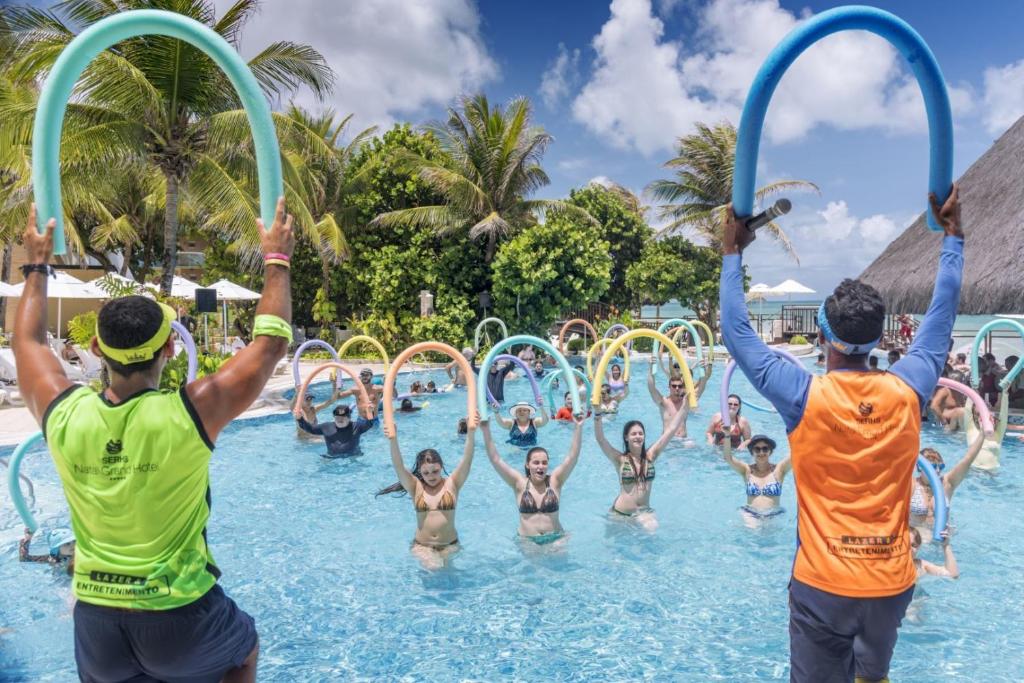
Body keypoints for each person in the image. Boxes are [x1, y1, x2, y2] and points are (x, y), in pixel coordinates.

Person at [12, 198, 296, 681]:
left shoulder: (63, 413)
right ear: (169, 347)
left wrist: (36, 265)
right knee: (244, 648)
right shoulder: (191, 412)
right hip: (178, 614)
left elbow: (28, 343)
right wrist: (277, 258)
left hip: (96, 623)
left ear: (97, 348)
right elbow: (270, 343)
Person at [718, 186, 963, 683]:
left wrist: (731, 253)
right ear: (879, 340)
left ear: (822, 336)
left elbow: (736, 332)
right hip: (891, 583)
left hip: (822, 584)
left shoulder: (801, 394)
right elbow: (942, 316)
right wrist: (952, 240)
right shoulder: (909, 388)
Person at [378, 415, 478, 569]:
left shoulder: (452, 483)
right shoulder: (415, 486)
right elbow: (398, 465)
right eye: (426, 473)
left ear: (441, 467)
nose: (431, 476)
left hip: (450, 545)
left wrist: (471, 432)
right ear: (420, 472)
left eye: (435, 471)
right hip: (422, 546)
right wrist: (393, 439)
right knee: (434, 568)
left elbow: (467, 459)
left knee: (447, 576)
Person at [480, 414, 584, 544]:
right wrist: (485, 430)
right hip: (528, 541)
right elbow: (495, 460)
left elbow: (572, 457)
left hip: (556, 539)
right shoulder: (519, 483)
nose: (541, 466)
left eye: (544, 463)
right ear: (527, 465)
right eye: (536, 463)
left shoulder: (555, 481)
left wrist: (578, 427)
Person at [593, 406, 688, 531]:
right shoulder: (620, 460)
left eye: (640, 433)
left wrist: (684, 407)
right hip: (620, 515)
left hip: (644, 512)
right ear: (626, 437)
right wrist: (597, 414)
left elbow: (671, 430)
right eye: (633, 434)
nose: (638, 436)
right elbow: (601, 439)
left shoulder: (650, 456)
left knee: (652, 529)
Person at [911, 431, 985, 541]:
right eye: (933, 466)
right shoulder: (911, 484)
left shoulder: (946, 484)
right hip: (918, 541)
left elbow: (968, 459)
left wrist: (983, 434)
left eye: (940, 467)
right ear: (920, 467)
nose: (937, 470)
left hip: (943, 538)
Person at [721, 434, 791, 523]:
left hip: (774, 514)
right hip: (750, 513)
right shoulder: (747, 470)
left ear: (770, 451)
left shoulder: (779, 470)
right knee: (753, 529)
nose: (761, 453)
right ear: (752, 452)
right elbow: (728, 458)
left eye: (765, 449)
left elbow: (796, 454)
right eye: (757, 449)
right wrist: (727, 435)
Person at [649, 362, 710, 440]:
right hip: (667, 441)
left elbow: (701, 388)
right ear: (669, 387)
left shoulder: (685, 402)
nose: (677, 388)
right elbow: (651, 388)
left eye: (679, 386)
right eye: (674, 386)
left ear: (682, 387)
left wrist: (702, 369)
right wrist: (651, 369)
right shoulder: (663, 402)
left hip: (683, 440)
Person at [297, 403, 376, 458]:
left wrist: (370, 412)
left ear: (349, 418)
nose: (339, 419)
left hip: (353, 457)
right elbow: (310, 429)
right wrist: (300, 419)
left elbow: (369, 423)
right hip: (331, 457)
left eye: (343, 417)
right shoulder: (326, 427)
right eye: (337, 417)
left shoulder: (356, 426)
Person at [964, 395, 1008, 471]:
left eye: (991, 418)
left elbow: (1004, 414)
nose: (987, 420)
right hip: (974, 472)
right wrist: (972, 390)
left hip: (992, 473)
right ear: (978, 419)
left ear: (994, 421)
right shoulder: (971, 430)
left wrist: (1005, 394)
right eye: (982, 418)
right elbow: (967, 411)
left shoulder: (997, 434)